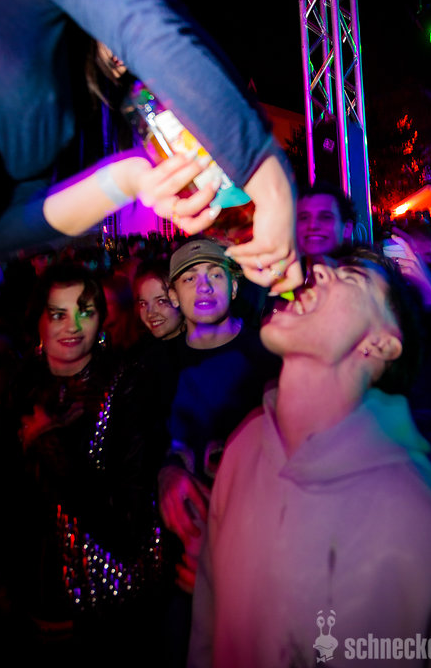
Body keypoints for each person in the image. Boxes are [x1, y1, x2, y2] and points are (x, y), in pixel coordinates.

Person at [187, 247, 431, 667]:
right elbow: (206, 636)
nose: (320, 272)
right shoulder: (242, 448)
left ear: (380, 343)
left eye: (352, 278)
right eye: (327, 268)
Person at [0, 0, 301, 293]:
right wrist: (268, 175)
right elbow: (136, 22)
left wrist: (130, 179)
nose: (131, 65)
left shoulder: (56, 109)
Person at [0, 263, 157, 652]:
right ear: (38, 322)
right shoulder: (23, 386)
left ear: (102, 319)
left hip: (106, 608)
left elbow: (125, 522)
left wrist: (49, 442)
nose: (73, 326)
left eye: (85, 311)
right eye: (58, 314)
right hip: (29, 597)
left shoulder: (126, 387)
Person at [151, 237, 281, 665]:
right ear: (173, 295)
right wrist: (165, 472)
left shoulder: (269, 355)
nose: (203, 286)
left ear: (234, 286)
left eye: (214, 275)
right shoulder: (155, 366)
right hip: (181, 566)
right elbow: (140, 450)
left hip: (260, 560)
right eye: (189, 279)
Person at [296, 180, 356, 273]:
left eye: (325, 217)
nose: (312, 226)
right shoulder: (284, 274)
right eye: (304, 218)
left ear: (347, 228)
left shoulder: (365, 277)